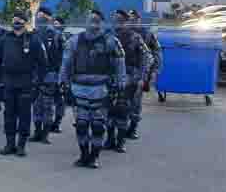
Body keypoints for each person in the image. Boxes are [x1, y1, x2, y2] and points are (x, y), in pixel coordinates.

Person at [60, 10, 126, 169]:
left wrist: (120, 84)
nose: (93, 22)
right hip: (79, 89)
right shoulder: (74, 41)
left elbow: (120, 64)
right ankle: (83, 155)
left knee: (98, 125)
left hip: (101, 89)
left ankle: (94, 156)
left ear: (102, 22)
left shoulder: (111, 41)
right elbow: (66, 63)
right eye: (90, 19)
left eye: (97, 20)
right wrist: (63, 84)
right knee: (81, 124)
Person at [0, 11, 47, 158]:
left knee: (24, 115)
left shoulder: (34, 40)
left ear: (25, 22)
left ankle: (21, 145)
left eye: (19, 20)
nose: (16, 22)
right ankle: (10, 144)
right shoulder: (4, 39)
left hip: (26, 83)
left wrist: (38, 83)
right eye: (14, 20)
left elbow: (42, 64)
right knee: (9, 114)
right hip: (8, 82)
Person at [107, 10, 150, 153]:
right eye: (115, 20)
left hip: (130, 78)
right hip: (111, 77)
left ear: (126, 22)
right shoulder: (108, 36)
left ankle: (121, 141)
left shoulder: (135, 37)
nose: (117, 23)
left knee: (123, 109)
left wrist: (142, 77)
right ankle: (110, 139)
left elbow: (147, 57)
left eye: (120, 20)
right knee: (108, 110)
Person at [30, 6, 65, 144]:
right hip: (35, 75)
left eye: (43, 15)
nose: (40, 17)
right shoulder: (34, 33)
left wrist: (62, 78)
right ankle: (37, 132)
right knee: (36, 105)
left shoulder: (57, 35)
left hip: (50, 75)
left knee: (47, 105)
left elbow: (64, 59)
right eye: (39, 15)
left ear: (49, 18)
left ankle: (45, 134)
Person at [127, 9, 161, 139]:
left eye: (134, 19)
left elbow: (157, 52)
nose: (132, 21)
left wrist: (154, 71)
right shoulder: (122, 33)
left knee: (135, 102)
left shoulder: (147, 34)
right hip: (124, 72)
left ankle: (133, 128)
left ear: (139, 19)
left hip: (139, 72)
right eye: (129, 19)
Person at [51, 16, 68, 132]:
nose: (54, 25)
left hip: (60, 73)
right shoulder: (50, 37)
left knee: (60, 100)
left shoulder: (62, 38)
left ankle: (57, 123)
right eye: (54, 23)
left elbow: (66, 57)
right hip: (51, 72)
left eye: (57, 23)